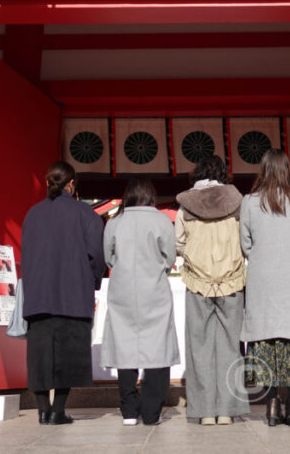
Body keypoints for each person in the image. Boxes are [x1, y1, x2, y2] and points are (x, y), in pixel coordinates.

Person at [20, 160, 106, 426]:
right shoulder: (86, 214)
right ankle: (58, 410)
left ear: (48, 183)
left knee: (40, 355)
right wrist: (91, 281)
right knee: (69, 355)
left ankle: (42, 410)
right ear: (71, 184)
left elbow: (27, 254)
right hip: (73, 295)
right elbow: (97, 255)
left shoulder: (32, 214)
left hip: (39, 296)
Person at [240, 149, 290, 428]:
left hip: (262, 280)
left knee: (266, 338)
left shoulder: (249, 202)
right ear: (287, 170)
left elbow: (246, 244)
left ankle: (271, 403)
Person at [175, 155, 249, 425]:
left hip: (197, 281)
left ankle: (205, 411)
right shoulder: (238, 202)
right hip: (232, 280)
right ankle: (228, 410)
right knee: (231, 346)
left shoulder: (186, 204)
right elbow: (245, 240)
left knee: (200, 347)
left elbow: (179, 243)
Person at [101, 179, 179, 426]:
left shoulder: (115, 222)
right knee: (157, 348)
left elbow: (108, 257)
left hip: (122, 291)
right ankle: (151, 410)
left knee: (125, 349)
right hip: (154, 290)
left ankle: (129, 410)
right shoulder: (161, 221)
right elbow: (170, 256)